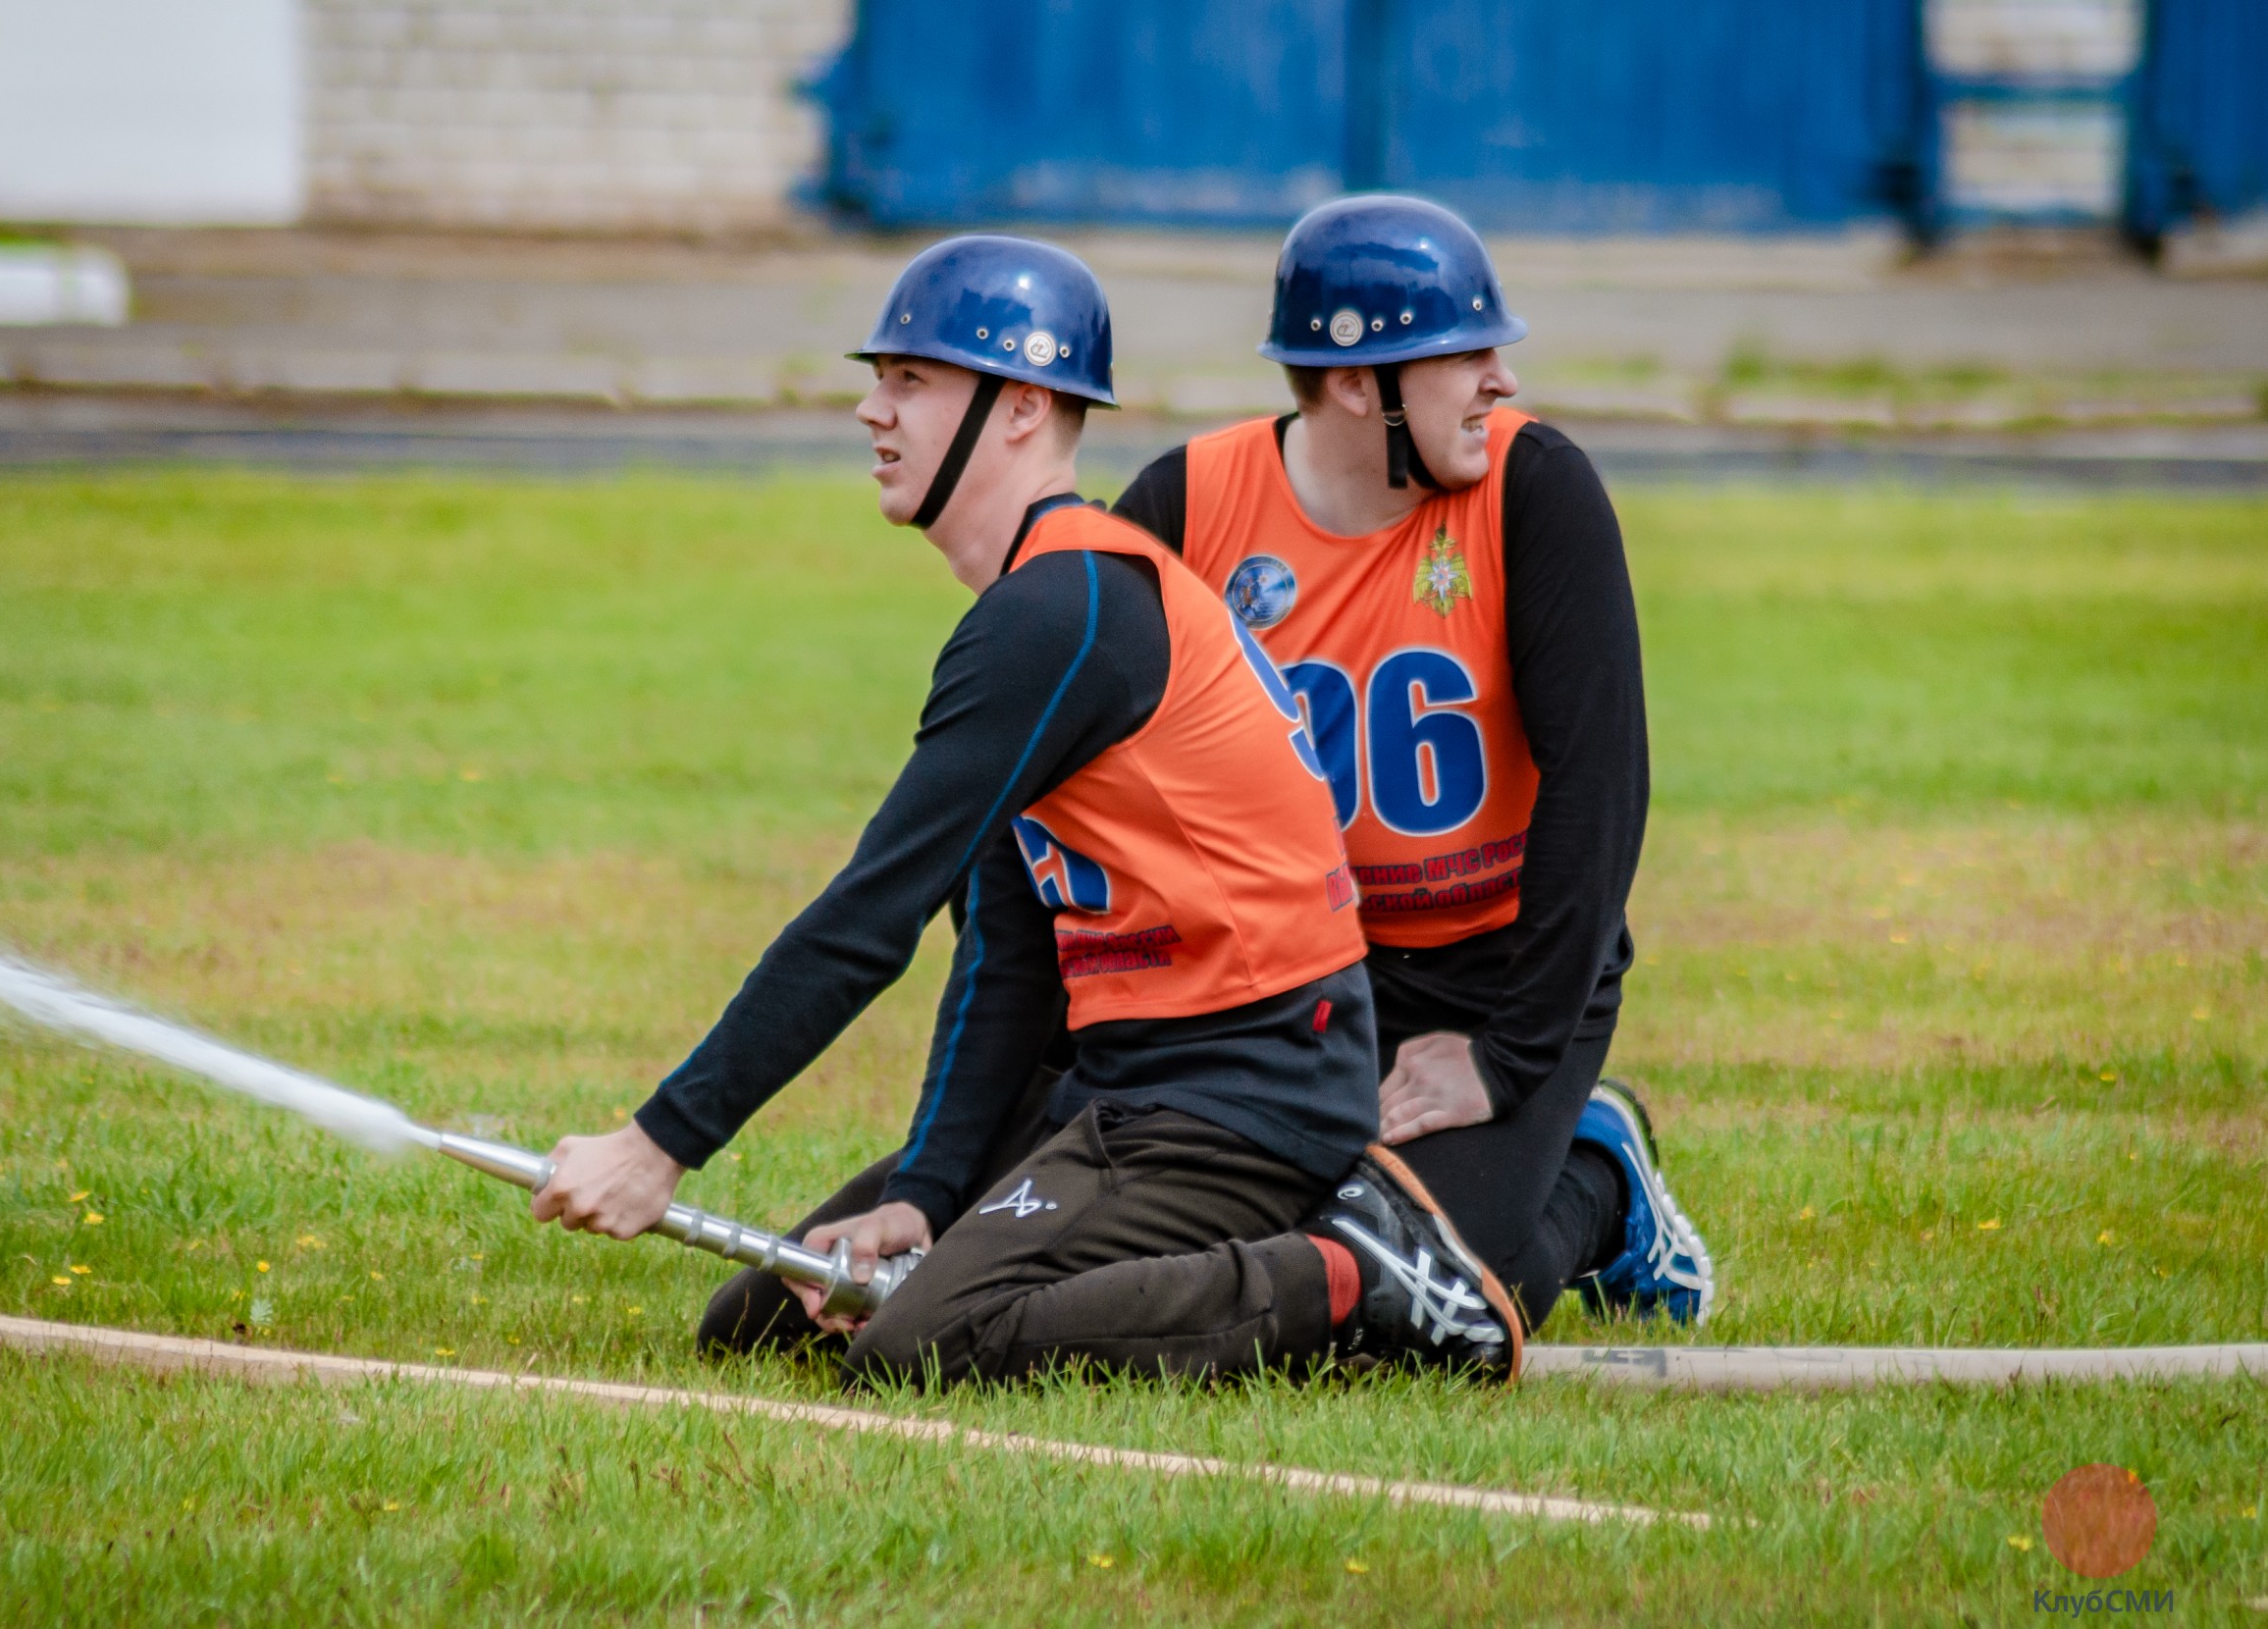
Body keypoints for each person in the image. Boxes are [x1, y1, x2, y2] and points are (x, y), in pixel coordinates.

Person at [529, 234, 1521, 1385]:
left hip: (1250, 1093)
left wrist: (661, 1144)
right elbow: (1004, 949)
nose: (871, 410)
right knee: (760, 1320)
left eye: (911, 379)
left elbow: (867, 918)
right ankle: (1049, 1239)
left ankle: (1351, 1274)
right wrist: (925, 1194)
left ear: (1020, 408)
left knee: (918, 1344)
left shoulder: (1062, 608)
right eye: (879, 377)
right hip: (1121, 1082)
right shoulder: (1035, 606)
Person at [1109, 195, 1714, 1329]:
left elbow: (1601, 789)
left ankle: (1600, 1183)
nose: (1500, 379)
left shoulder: (1536, 491)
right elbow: (1090, 784)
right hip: (1296, 975)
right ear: (1355, 382)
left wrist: (1508, 1056)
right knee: (1245, 1240)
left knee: (1425, 1305)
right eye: (1462, 354)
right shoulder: (1185, 507)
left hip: (1503, 971)